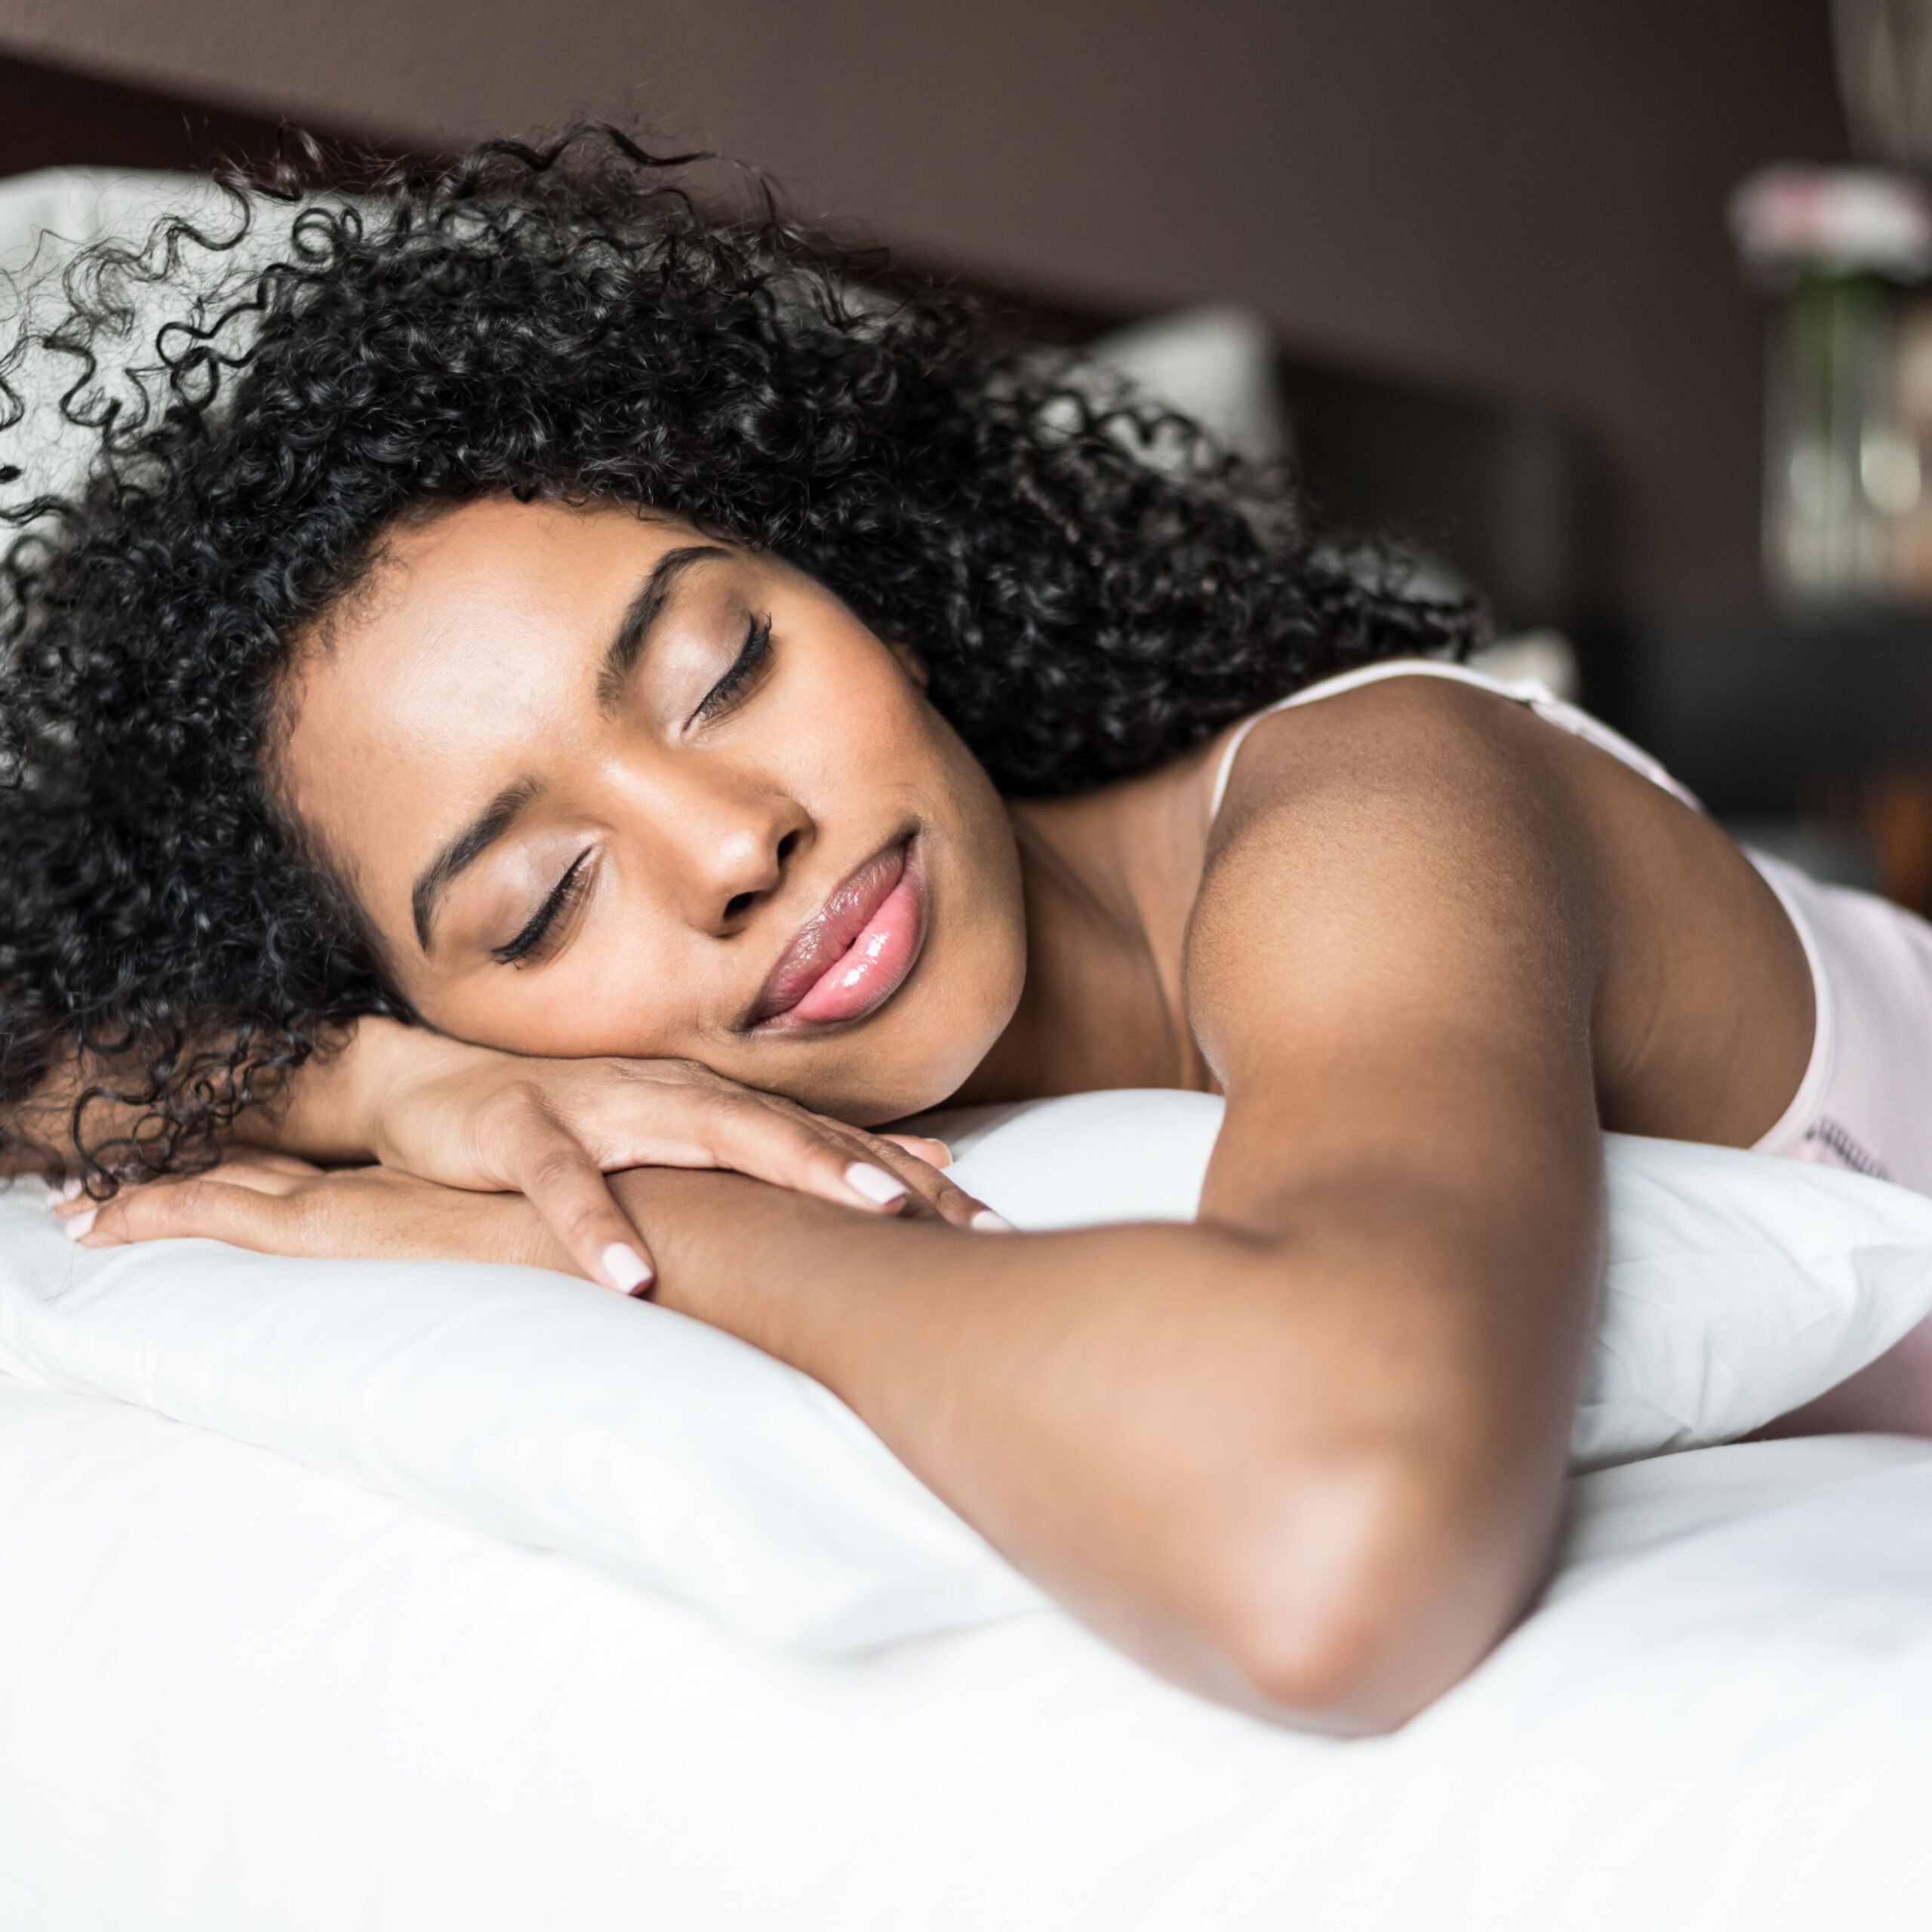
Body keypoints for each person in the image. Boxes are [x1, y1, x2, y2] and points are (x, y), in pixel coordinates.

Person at [0, 128, 1923, 1734]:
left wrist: (620, 1228)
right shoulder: (460, 1041)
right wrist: (385, 1080)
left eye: (725, 661)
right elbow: (44, 1078)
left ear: (865, 583)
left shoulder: (1381, 807)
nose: (732, 839)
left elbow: (1330, 1540)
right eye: (540, 897)